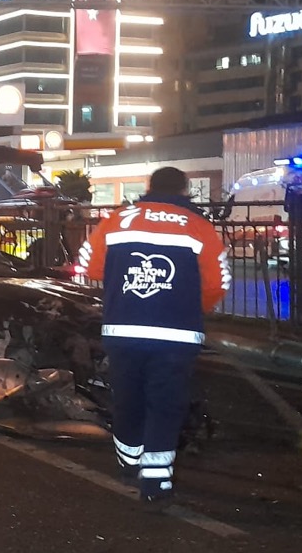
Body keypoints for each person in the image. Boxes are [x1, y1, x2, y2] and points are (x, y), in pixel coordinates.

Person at [74, 167, 231, 507]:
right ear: (185, 190)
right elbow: (218, 281)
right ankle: (156, 484)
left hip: (124, 330)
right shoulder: (199, 225)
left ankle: (129, 461)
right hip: (176, 334)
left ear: (149, 187)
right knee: (165, 404)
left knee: (128, 398)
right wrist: (193, 307)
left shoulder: (120, 219)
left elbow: (87, 264)